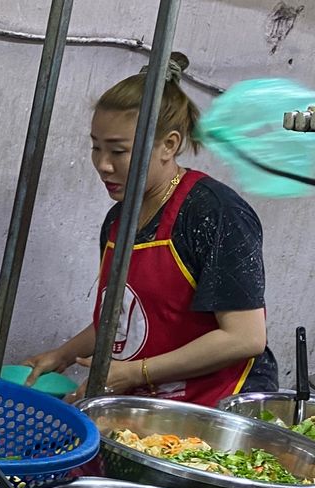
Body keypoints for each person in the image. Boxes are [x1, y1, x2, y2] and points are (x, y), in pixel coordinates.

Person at [24, 52, 278, 405]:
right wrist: (63, 355)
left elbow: (244, 338)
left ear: (169, 145)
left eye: (119, 151)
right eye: (96, 147)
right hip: (150, 402)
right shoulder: (119, 220)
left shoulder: (212, 213)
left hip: (218, 404)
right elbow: (123, 321)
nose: (103, 164)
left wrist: (133, 372)